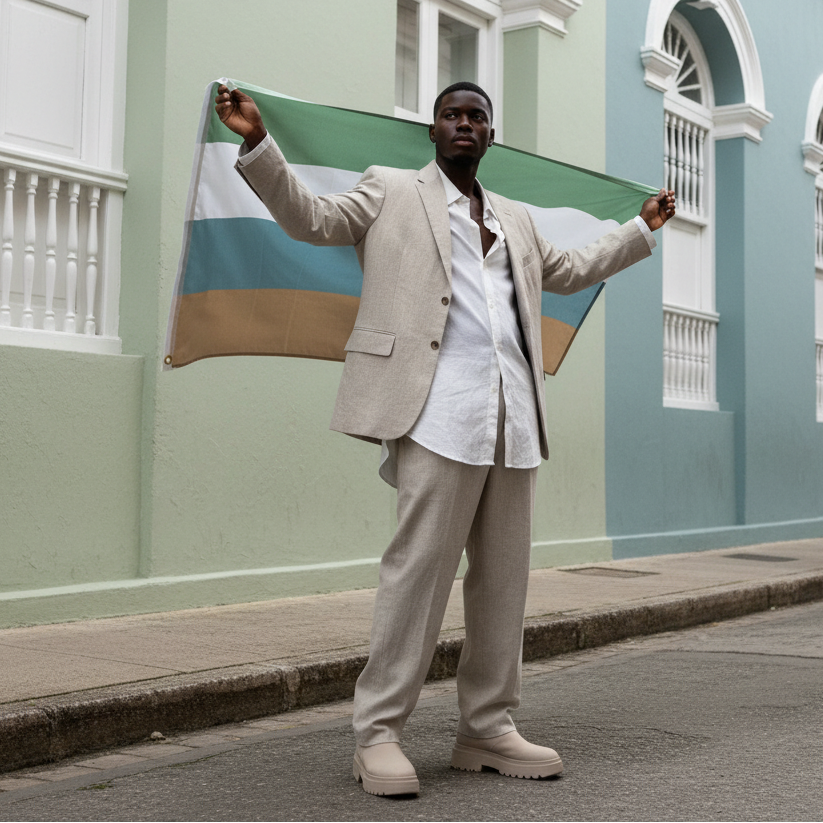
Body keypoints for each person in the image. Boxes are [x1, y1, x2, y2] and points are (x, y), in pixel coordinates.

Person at [215, 80, 675, 797]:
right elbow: (310, 218)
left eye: (476, 116)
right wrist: (256, 142)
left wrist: (641, 228)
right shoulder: (390, 190)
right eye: (451, 115)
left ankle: (486, 727)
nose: (464, 124)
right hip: (433, 411)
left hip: (513, 417)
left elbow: (571, 270)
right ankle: (378, 732)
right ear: (432, 132)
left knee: (503, 583)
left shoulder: (516, 221)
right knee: (416, 575)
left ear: (490, 136)